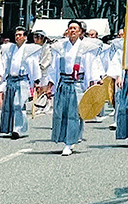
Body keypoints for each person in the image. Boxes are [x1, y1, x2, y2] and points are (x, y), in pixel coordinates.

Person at [41, 20, 102, 156]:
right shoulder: (59, 47)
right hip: (63, 82)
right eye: (70, 28)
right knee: (62, 112)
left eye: (75, 28)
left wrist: (93, 83)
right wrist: (51, 84)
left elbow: (91, 67)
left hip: (77, 83)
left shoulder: (86, 48)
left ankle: (70, 142)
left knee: (74, 114)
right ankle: (65, 138)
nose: (72, 31)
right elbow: (54, 68)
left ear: (80, 31)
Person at [0, 27, 44, 139]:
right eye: (16, 35)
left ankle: (18, 128)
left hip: (22, 80)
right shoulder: (9, 49)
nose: (18, 37)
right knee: (9, 105)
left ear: (25, 37)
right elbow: (3, 63)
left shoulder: (29, 50)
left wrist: (36, 80)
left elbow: (34, 65)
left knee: (18, 104)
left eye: (20, 35)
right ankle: (9, 128)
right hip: (11, 79)